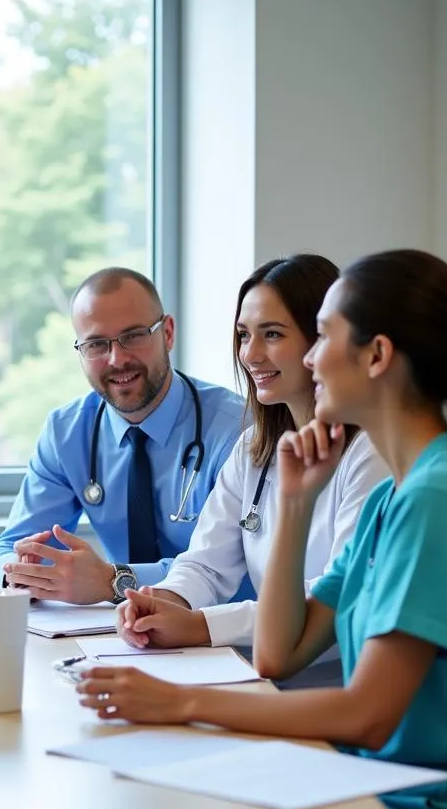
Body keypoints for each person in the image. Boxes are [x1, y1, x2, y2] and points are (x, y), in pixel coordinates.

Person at [76, 249, 447, 809]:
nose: (306, 362)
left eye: (323, 335)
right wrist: (299, 501)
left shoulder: (441, 498)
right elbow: (281, 653)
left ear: (376, 356)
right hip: (381, 805)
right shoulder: (402, 494)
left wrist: (179, 704)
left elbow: (367, 712)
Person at [115, 255, 389, 672]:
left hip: (338, 678)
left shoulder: (371, 453)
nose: (251, 354)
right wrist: (158, 604)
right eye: (244, 335)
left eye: (273, 334)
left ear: (326, 341)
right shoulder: (253, 448)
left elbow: (333, 596)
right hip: (273, 671)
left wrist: (199, 625)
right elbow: (205, 564)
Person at [0, 267, 249, 606]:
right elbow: (7, 550)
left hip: (220, 639)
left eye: (133, 336)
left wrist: (115, 580)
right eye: (96, 344)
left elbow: (238, 570)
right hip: (118, 634)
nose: (117, 359)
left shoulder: (236, 430)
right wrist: (17, 575)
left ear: (167, 333)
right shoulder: (67, 433)